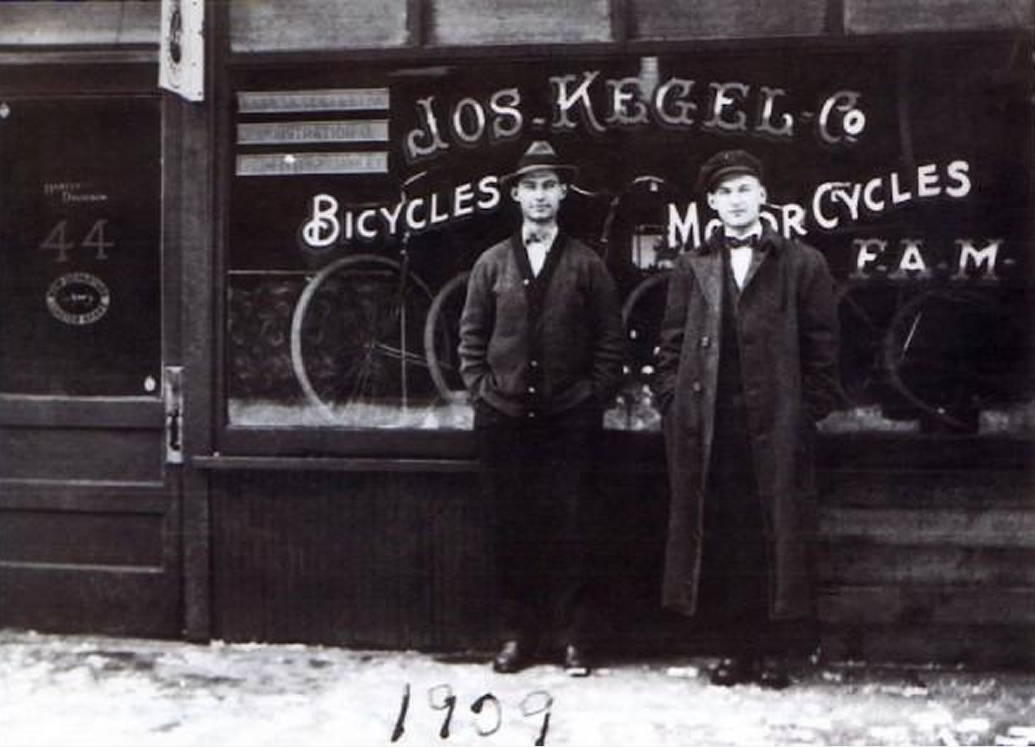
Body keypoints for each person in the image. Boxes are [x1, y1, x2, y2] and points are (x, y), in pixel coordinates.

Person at [652, 149, 844, 689]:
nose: (736, 201)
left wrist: (805, 413)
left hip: (778, 425)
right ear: (711, 204)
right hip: (712, 427)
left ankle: (773, 651)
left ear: (763, 196)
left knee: (775, 534)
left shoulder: (802, 263)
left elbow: (824, 349)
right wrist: (674, 401)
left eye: (745, 189)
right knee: (724, 533)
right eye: (726, 192)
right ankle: (734, 648)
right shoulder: (692, 266)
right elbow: (670, 346)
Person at [458, 140, 625, 676]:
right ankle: (517, 636)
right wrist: (483, 390)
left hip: (569, 421)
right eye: (530, 186)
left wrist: (590, 395)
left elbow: (610, 342)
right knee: (512, 529)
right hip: (503, 420)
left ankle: (574, 639)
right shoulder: (491, 264)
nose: (539, 196)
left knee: (574, 526)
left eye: (548, 185)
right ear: (515, 195)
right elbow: (470, 338)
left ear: (562, 193)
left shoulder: (586, 264)